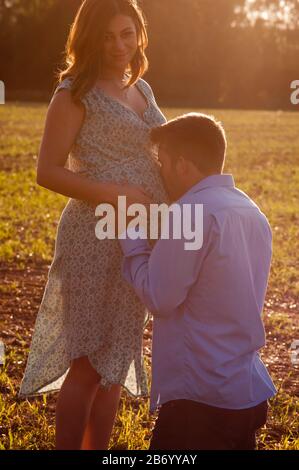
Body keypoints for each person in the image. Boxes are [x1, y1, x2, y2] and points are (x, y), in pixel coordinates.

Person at [18, 0, 168, 450]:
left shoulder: (141, 88)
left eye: (127, 34)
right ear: (88, 38)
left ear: (139, 33)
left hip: (138, 237)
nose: (118, 46)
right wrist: (117, 194)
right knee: (87, 362)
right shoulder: (74, 93)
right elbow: (47, 171)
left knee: (116, 360)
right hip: (95, 236)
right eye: (107, 36)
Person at [119, 113, 277, 450]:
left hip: (200, 400)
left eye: (162, 163)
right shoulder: (251, 210)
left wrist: (131, 238)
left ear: (182, 165)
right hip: (243, 390)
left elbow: (160, 298)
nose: (159, 172)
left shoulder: (189, 212)